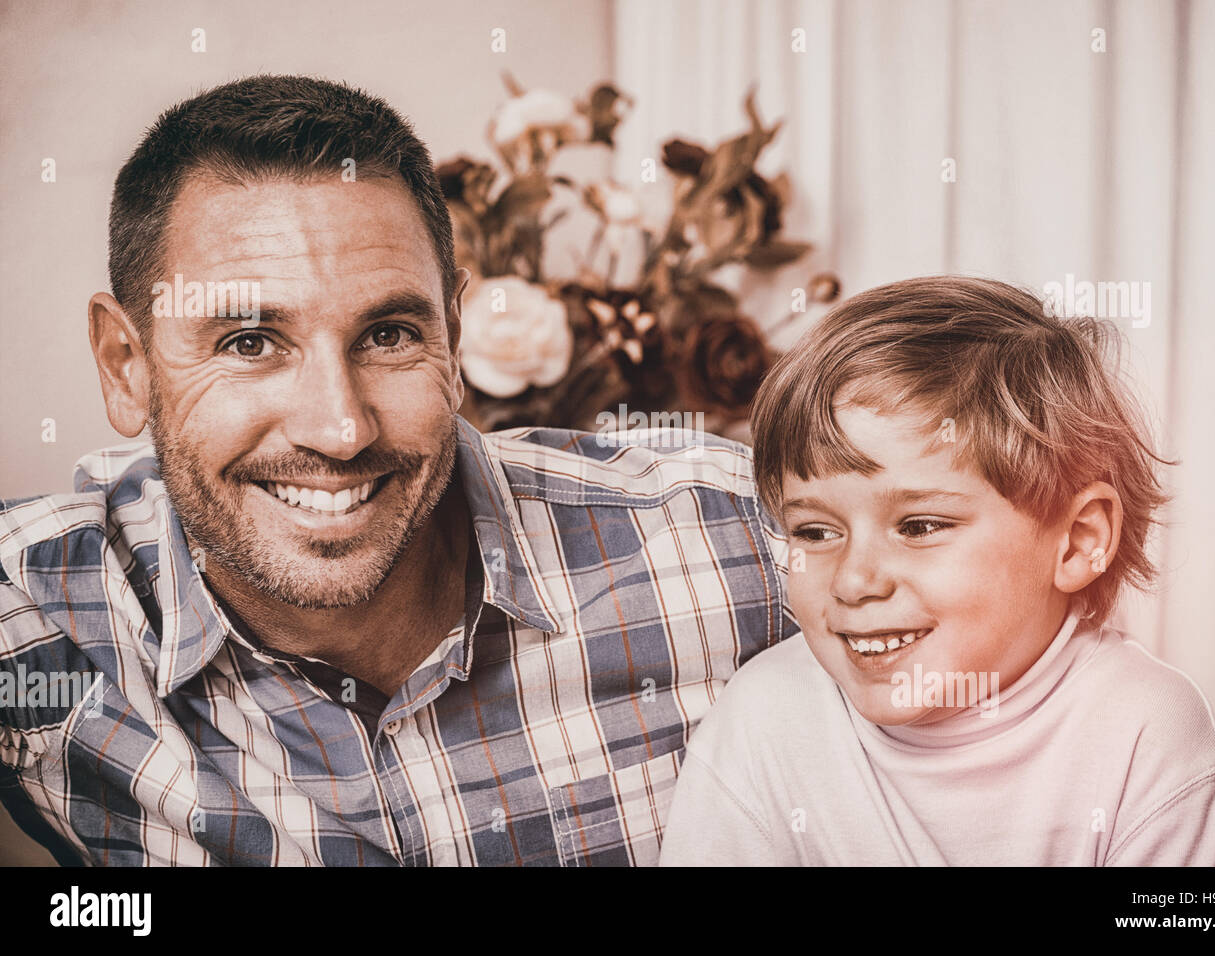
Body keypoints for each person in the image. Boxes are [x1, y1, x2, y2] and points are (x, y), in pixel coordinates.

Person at [0, 75, 796, 866]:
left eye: (387, 335)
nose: (340, 429)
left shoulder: (739, 536)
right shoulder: (39, 612)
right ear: (124, 365)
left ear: (453, 338)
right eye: (248, 343)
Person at [658, 276, 1215, 866]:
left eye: (919, 526)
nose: (854, 582)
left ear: (1076, 542)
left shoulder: (1147, 728)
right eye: (815, 532)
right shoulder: (763, 716)